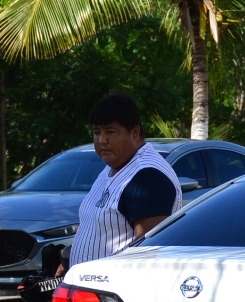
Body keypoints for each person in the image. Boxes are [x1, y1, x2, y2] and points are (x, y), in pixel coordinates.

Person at [65, 92, 182, 268]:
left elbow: (148, 251)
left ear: (134, 132)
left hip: (117, 291)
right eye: (97, 132)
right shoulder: (113, 168)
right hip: (89, 288)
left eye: (110, 132)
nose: (102, 140)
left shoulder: (147, 176)